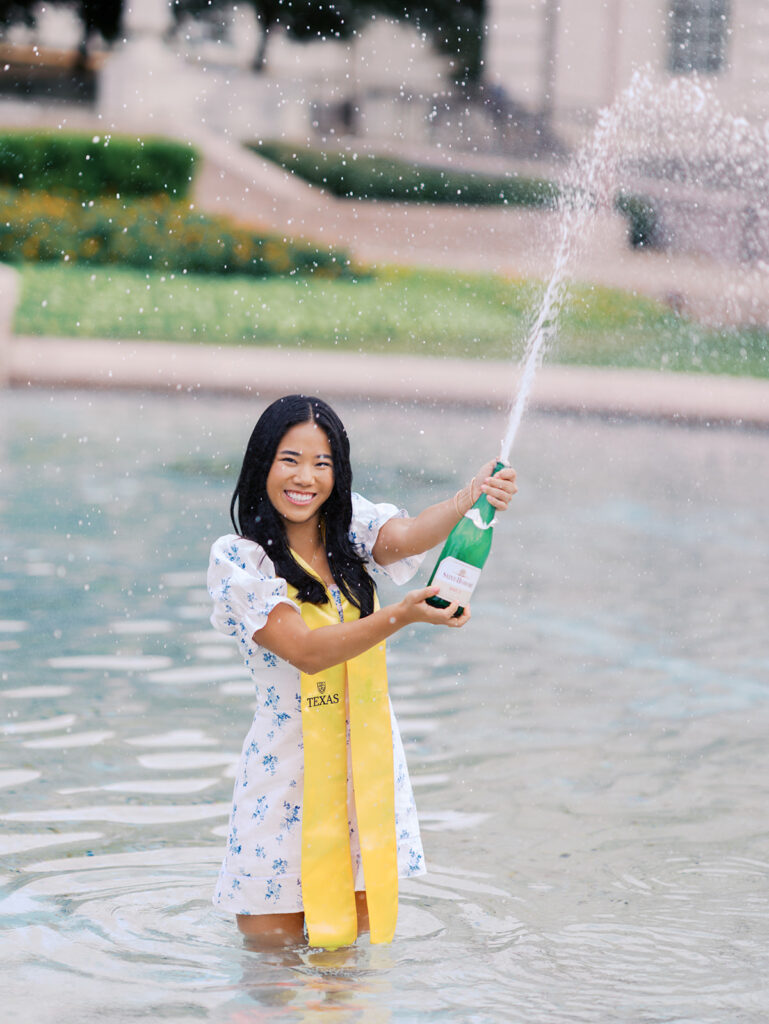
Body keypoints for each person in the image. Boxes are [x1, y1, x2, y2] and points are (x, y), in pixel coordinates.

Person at [207, 394, 517, 950]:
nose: (305, 478)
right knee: (271, 978)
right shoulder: (239, 560)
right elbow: (305, 651)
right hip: (284, 780)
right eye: (290, 460)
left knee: (351, 973)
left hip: (364, 773)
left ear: (338, 472)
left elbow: (410, 534)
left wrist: (472, 498)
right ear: (263, 464)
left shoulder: (350, 533)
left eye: (322, 464)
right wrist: (401, 615)